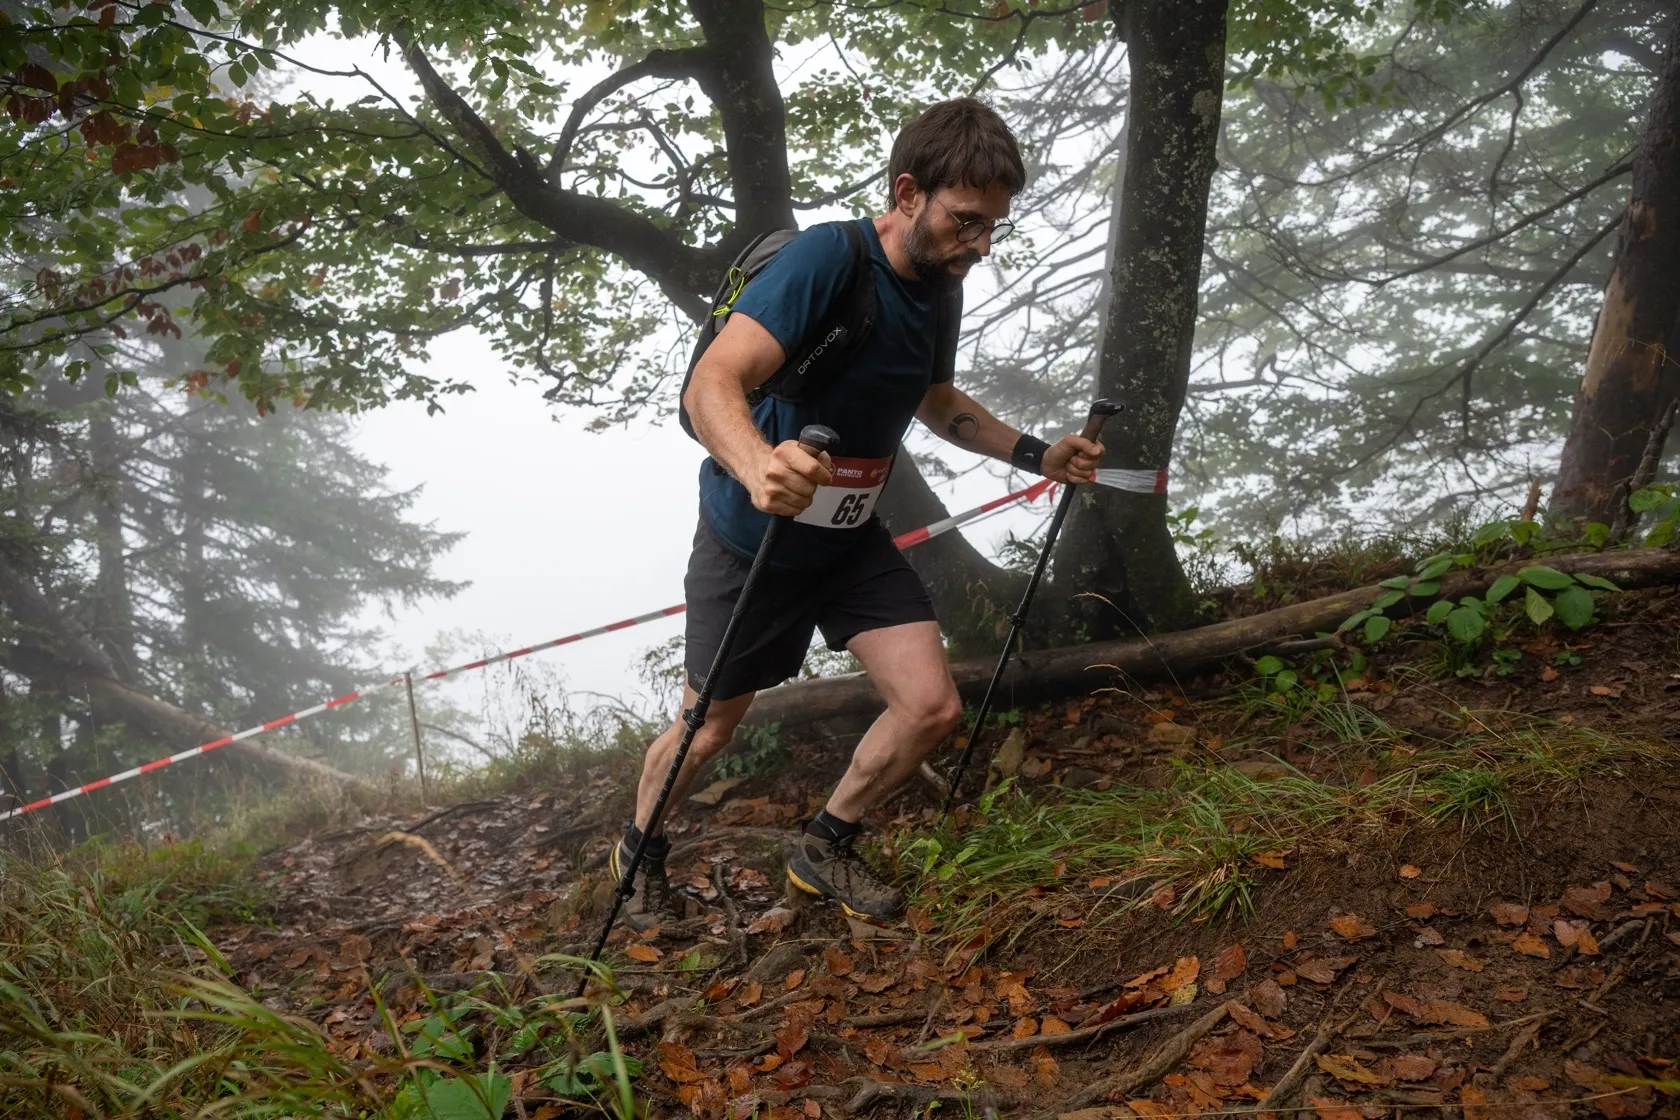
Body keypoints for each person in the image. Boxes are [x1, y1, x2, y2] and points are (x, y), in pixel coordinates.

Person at [610, 97, 1104, 927]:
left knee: (933, 706)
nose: (980, 245)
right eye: (966, 221)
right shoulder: (826, 260)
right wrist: (758, 465)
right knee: (707, 731)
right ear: (909, 192)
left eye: (993, 228)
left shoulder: (940, 282)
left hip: (847, 541)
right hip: (752, 540)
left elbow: (935, 398)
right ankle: (638, 849)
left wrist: (1036, 454)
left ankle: (823, 845)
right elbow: (712, 384)